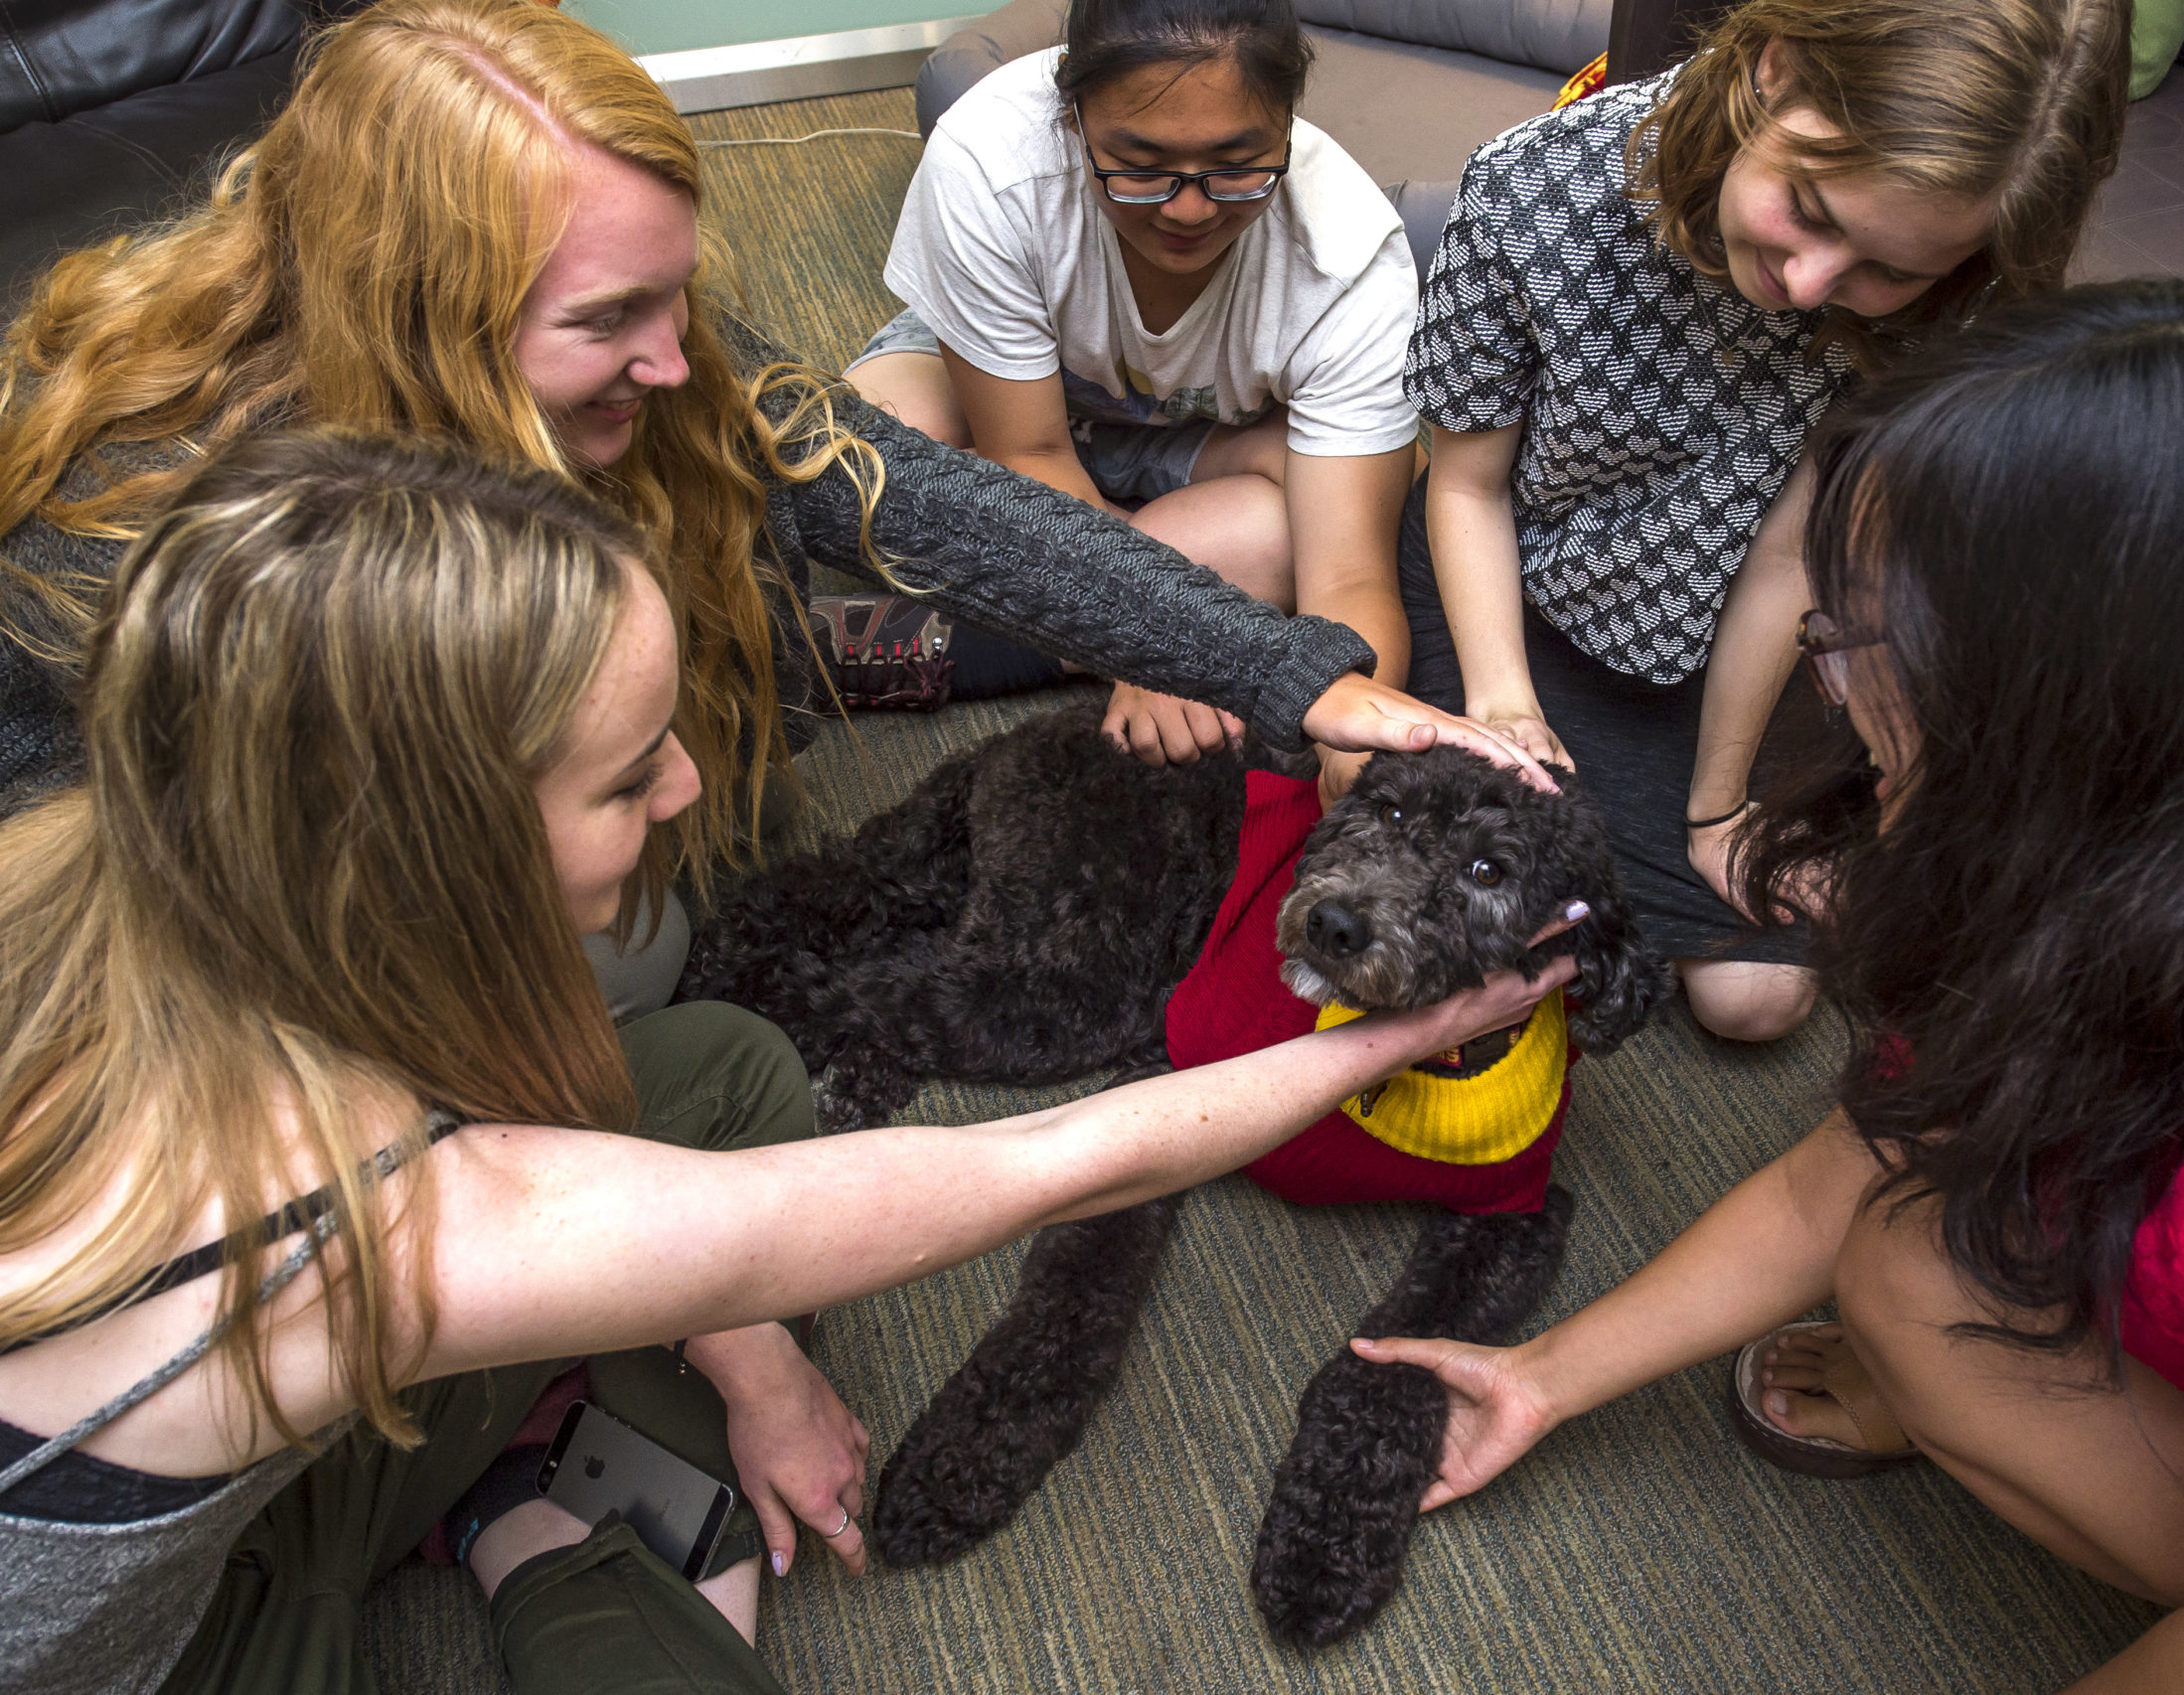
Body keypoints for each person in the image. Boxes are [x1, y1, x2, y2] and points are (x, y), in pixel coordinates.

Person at [0, 429, 1578, 1695]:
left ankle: (527, 1487)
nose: (695, 786)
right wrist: (1416, 1029)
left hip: (271, 1420)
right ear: (427, 846)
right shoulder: (378, 1214)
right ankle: (552, 1528)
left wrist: (752, 1361)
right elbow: (1046, 1164)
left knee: (730, 1066)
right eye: (630, 779)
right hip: (187, 1632)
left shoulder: (106, 862)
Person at [1354, 281, 2184, 1692]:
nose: (1836, 690)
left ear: (2062, 698)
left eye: (1859, 639)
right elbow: (1851, 1166)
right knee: (1902, 1260)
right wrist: (1542, 1374)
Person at [0, 0, 1543, 1016]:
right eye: (611, 323)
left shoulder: (646, 358)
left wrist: (1298, 678)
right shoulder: (137, 530)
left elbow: (935, 501)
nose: (679, 365)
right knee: (655, 969)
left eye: (678, 301)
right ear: (427, 314)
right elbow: (96, 918)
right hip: (265, 934)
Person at [1402, 0, 2127, 1040]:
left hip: (1723, 625)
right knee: (1477, 925)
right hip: (1510, 585)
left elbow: (1791, 552)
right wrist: (1505, 702)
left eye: (1887, 270)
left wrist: (1717, 806)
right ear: (1772, 72)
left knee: (1755, 998)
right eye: (1811, 208)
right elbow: (1465, 487)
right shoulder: (1528, 186)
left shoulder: (1952, 290)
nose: (1808, 285)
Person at [853, 0, 1420, 770]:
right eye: (1142, 166)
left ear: (1287, 121)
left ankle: (960, 642)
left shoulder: (1349, 261)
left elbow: (1350, 578)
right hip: (1016, 413)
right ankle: (1182, 584)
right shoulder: (989, 159)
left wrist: (1354, 763)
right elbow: (1030, 453)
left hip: (1208, 439)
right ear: (1073, 115)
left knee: (1315, 528)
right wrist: (1163, 642)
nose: (1188, 208)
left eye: (1235, 164)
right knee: (861, 464)